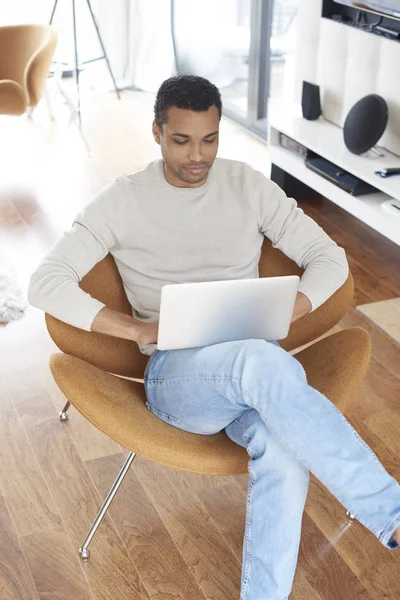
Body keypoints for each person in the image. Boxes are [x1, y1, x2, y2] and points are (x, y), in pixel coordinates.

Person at [28, 75, 400, 600]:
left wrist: (290, 310)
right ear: (156, 132)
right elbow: (45, 282)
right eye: (181, 140)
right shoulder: (123, 200)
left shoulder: (246, 185)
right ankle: (389, 511)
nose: (197, 155)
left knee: (280, 442)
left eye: (210, 138)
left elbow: (329, 259)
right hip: (179, 380)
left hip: (260, 370)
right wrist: (135, 328)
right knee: (259, 363)